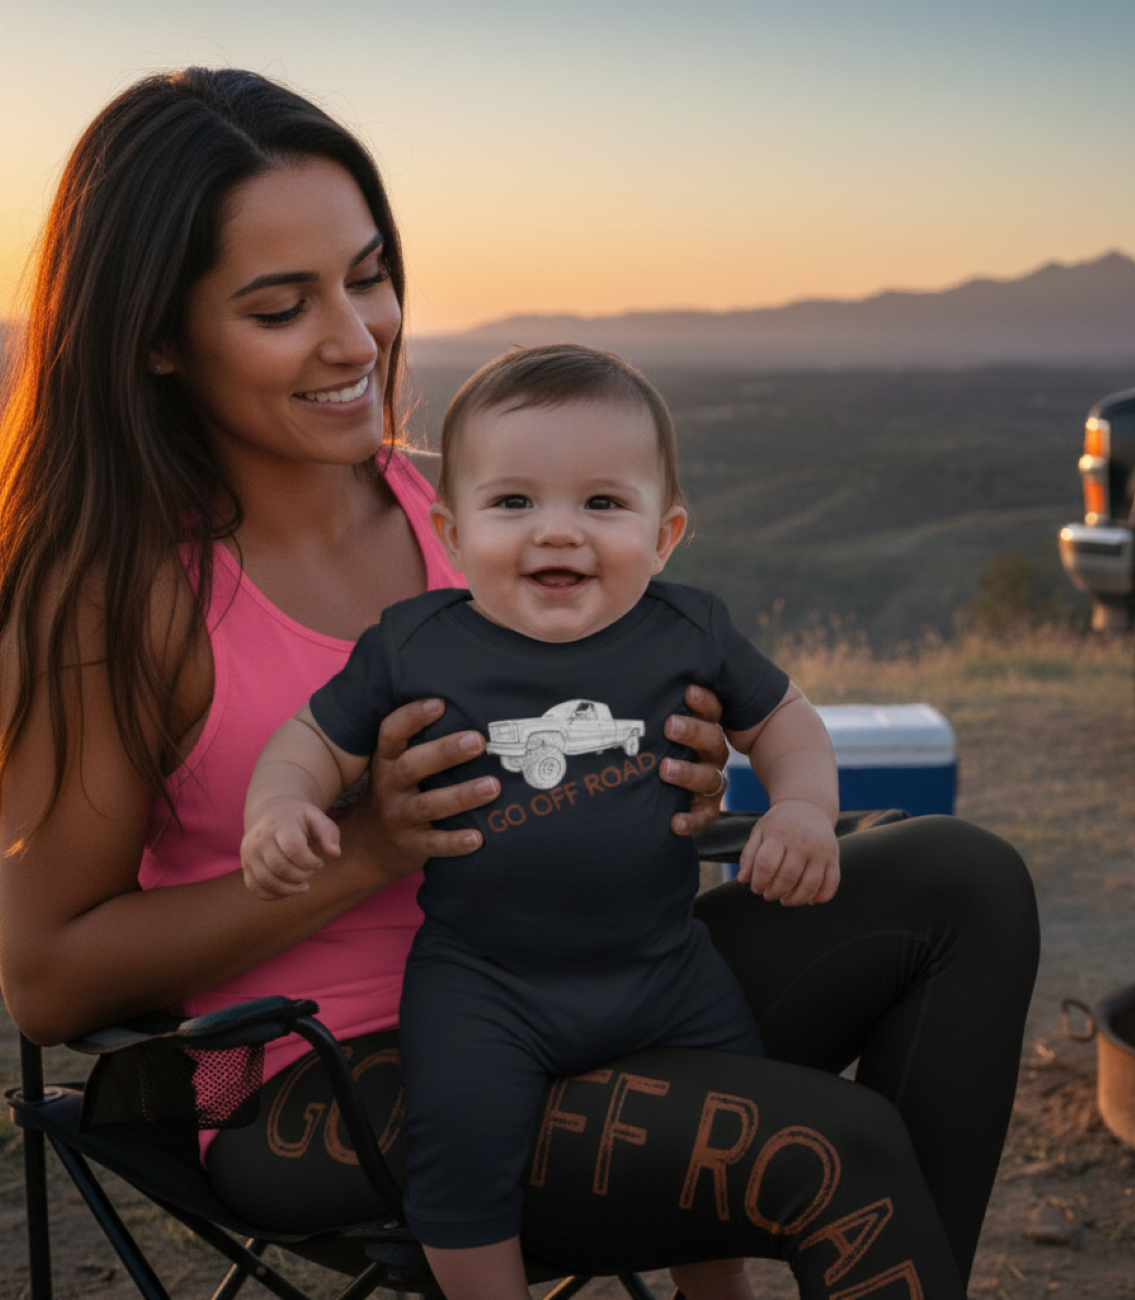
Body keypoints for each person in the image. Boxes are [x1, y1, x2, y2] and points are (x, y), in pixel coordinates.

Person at [0, 68, 1039, 1300]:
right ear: (158, 336)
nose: (356, 337)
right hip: (325, 1081)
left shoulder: (473, 514)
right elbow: (46, 973)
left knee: (963, 880)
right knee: (831, 1146)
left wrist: (677, 775)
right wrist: (371, 846)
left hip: (600, 991)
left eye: (369, 275)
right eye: (282, 306)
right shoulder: (124, 599)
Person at [241, 343, 843, 1298]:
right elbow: (312, 739)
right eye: (513, 503)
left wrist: (803, 806)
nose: (556, 532)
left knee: (723, 1145)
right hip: (485, 985)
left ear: (665, 533)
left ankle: (715, 1288)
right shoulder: (415, 643)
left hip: (665, 972)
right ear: (449, 527)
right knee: (463, 1152)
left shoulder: (688, 629)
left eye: (603, 504)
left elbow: (787, 723)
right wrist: (280, 804)